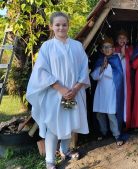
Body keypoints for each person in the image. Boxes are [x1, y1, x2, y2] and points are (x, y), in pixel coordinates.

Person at [26, 12, 90, 169]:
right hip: (55, 94)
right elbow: (42, 71)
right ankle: (50, 160)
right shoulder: (47, 47)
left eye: (64, 24)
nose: (61, 27)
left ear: (68, 25)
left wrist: (75, 89)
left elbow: (83, 68)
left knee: (69, 121)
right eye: (57, 25)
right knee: (53, 126)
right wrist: (60, 88)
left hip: (72, 93)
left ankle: (65, 150)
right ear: (51, 27)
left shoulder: (77, 45)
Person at [90, 37, 125, 146]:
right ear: (101, 50)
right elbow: (94, 77)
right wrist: (102, 67)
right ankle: (104, 132)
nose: (107, 49)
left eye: (109, 47)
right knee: (100, 114)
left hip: (112, 91)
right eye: (105, 47)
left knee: (111, 114)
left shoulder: (116, 59)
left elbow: (118, 75)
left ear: (113, 49)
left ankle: (116, 135)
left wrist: (107, 67)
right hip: (101, 91)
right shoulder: (100, 61)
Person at [115, 30, 133, 129]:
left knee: (126, 97)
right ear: (117, 40)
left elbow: (132, 59)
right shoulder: (114, 49)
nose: (122, 40)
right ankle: (118, 121)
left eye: (124, 38)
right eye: (120, 38)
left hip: (127, 78)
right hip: (117, 78)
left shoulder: (130, 49)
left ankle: (126, 120)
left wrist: (124, 52)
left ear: (128, 39)